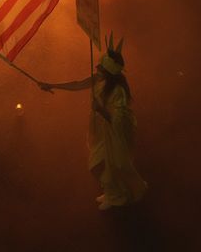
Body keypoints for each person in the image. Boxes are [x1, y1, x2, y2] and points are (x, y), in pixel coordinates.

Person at [38, 34, 147, 211]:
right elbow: (77, 84)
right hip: (99, 128)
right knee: (102, 164)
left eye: (101, 68)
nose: (97, 69)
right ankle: (113, 192)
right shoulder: (98, 79)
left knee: (107, 165)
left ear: (109, 73)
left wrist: (100, 109)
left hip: (113, 132)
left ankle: (117, 196)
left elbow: (120, 119)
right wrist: (51, 85)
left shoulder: (119, 90)